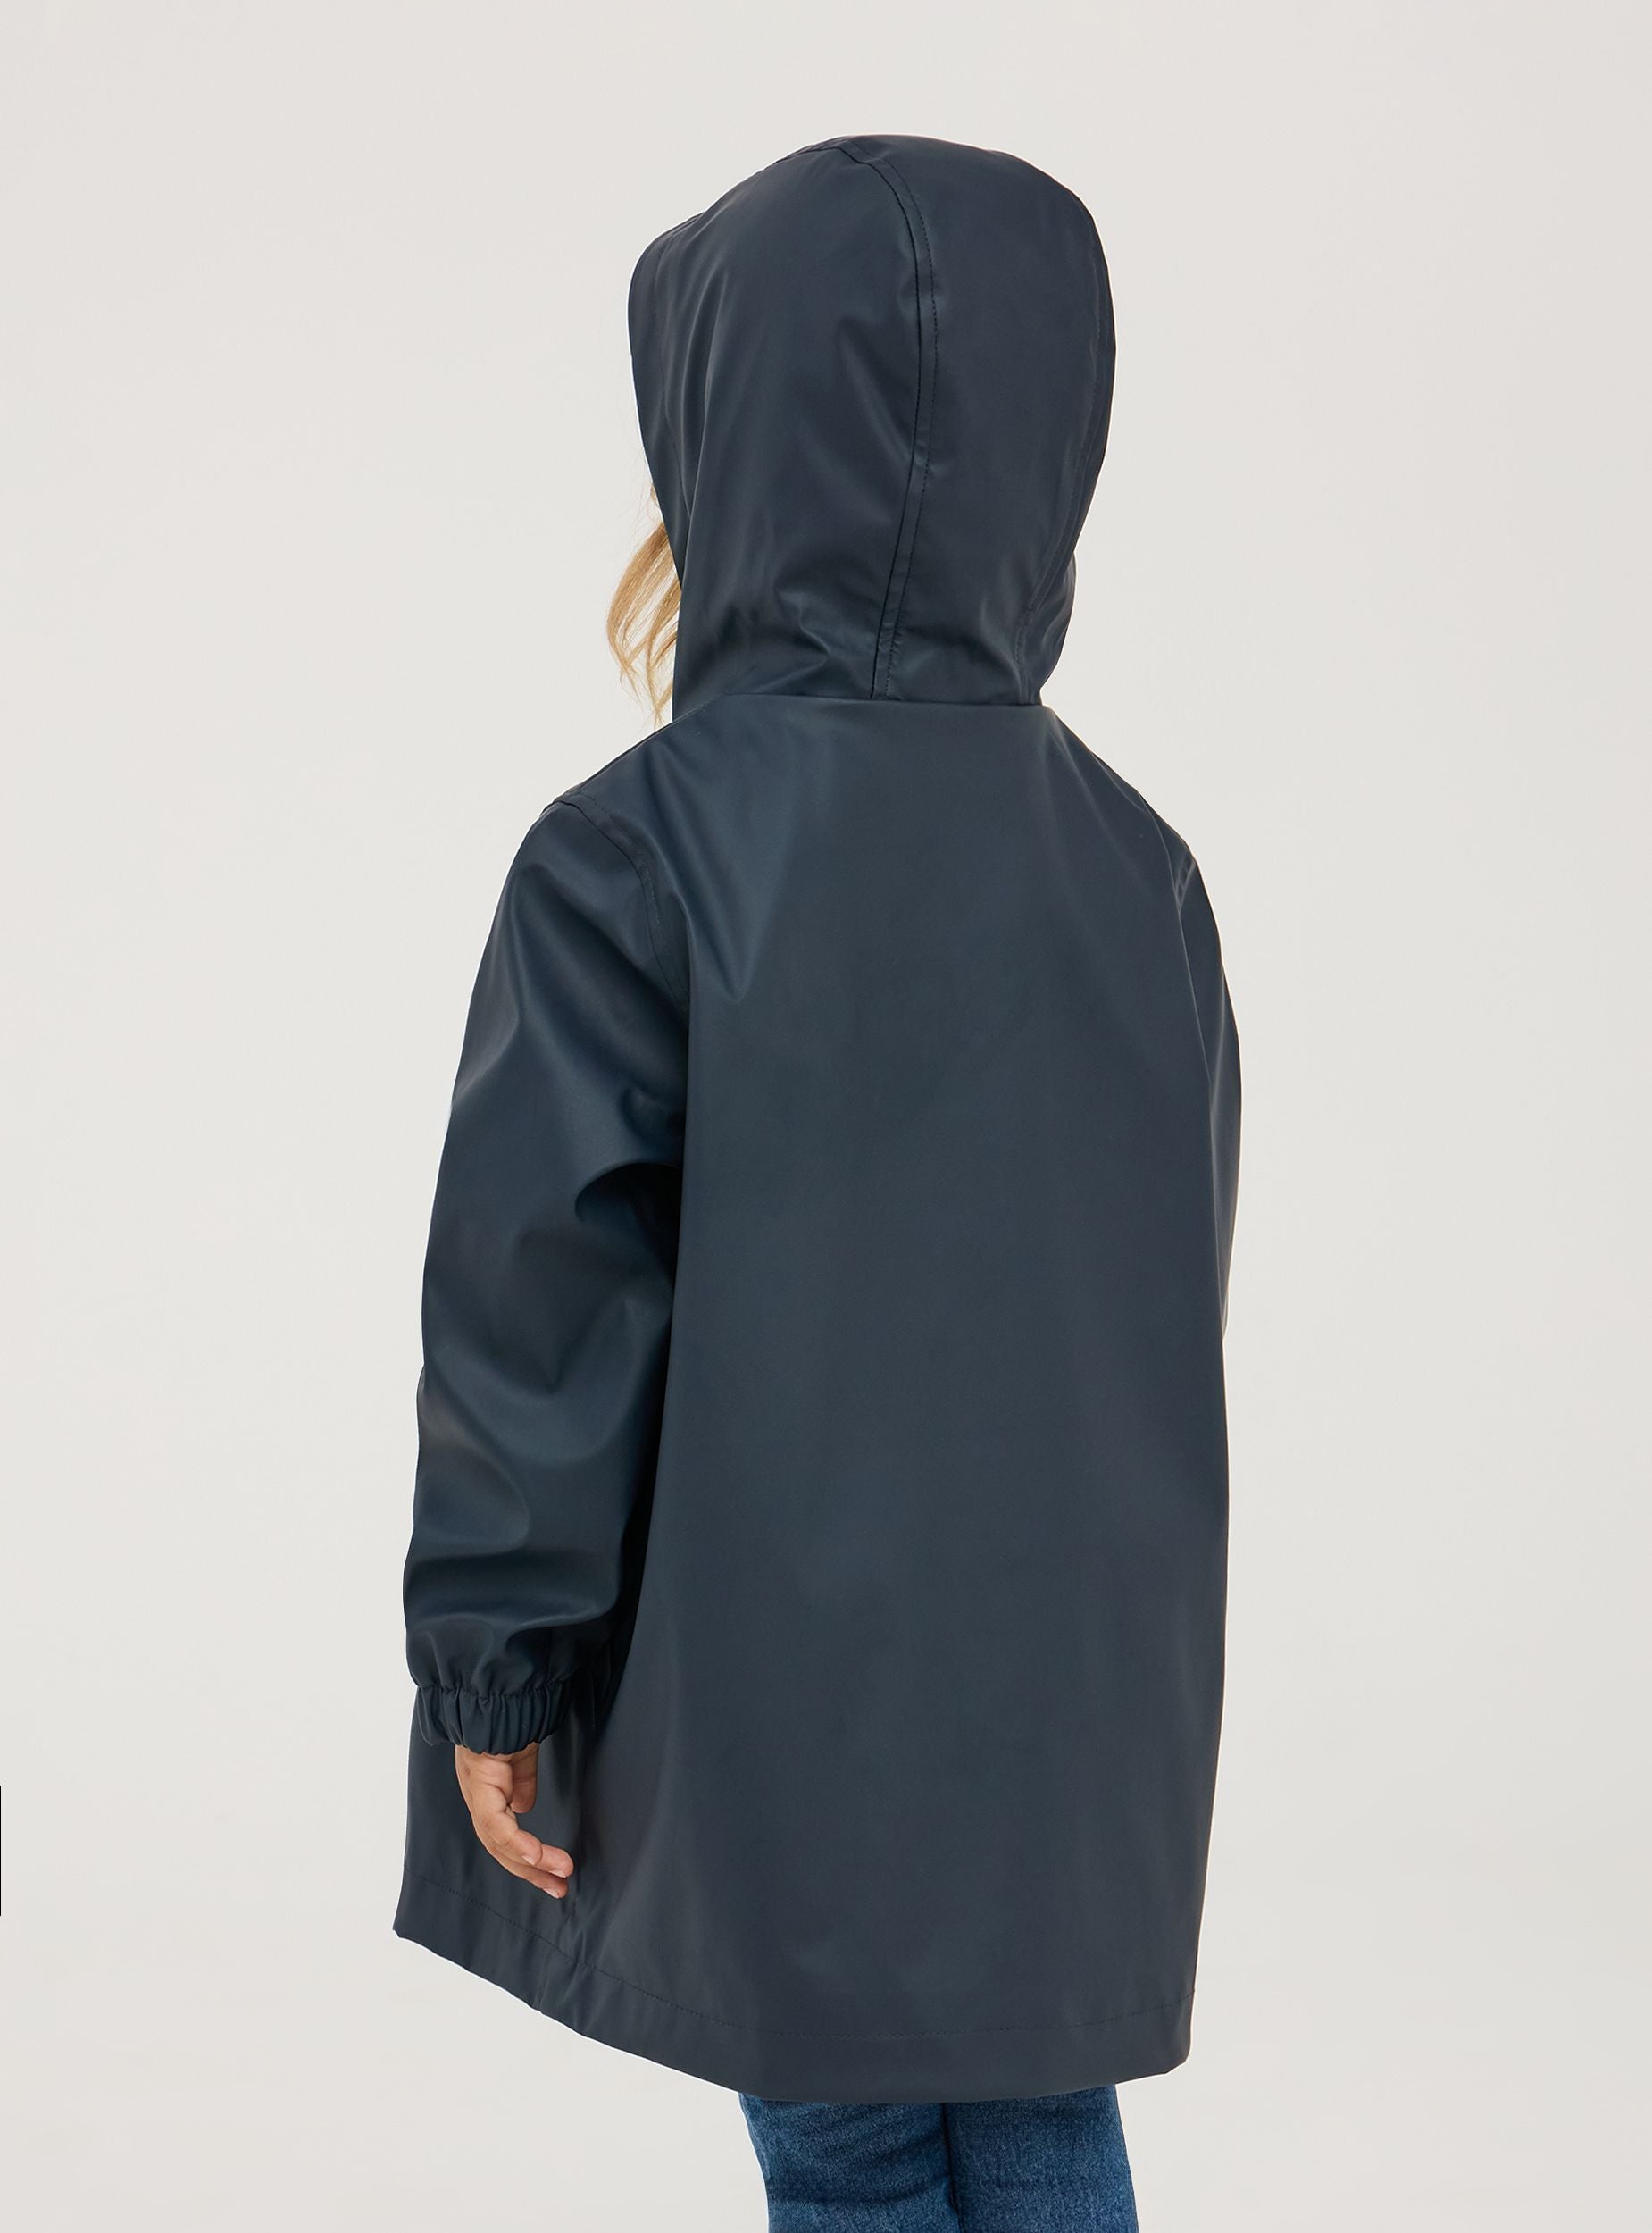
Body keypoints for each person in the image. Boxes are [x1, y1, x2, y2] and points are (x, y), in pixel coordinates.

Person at [395, 132, 1241, 2230]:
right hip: (1075, 1677)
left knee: (851, 2137)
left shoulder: (635, 850)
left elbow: (543, 1294)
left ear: (721, 439)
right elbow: (1164, 1271)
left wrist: (501, 1661)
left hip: (779, 1662)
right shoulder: (1137, 866)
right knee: (1037, 2109)